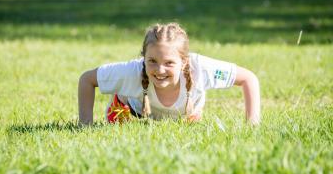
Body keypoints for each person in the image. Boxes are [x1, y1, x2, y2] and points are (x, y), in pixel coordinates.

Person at [78, 23, 260, 125]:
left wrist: (252, 125)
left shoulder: (201, 68)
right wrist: (85, 125)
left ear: (184, 62)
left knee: (188, 127)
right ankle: (120, 102)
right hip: (134, 111)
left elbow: (248, 78)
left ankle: (192, 115)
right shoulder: (131, 71)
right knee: (119, 128)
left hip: (185, 115)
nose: (160, 70)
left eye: (169, 63)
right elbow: (87, 79)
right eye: (152, 62)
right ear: (143, 58)